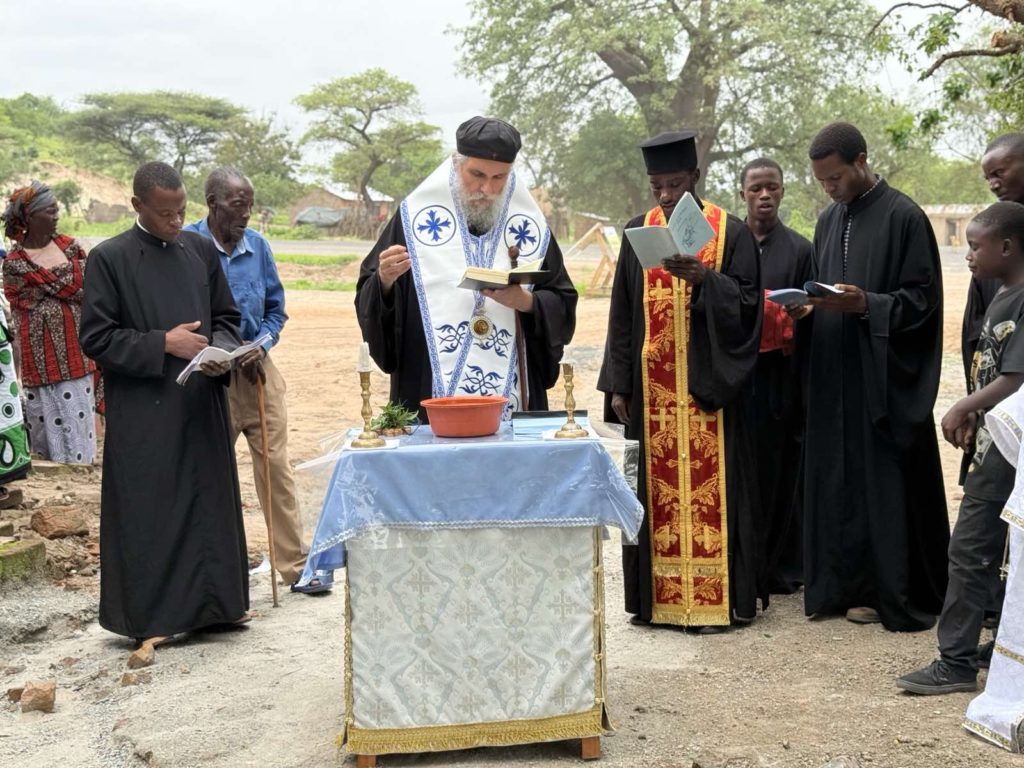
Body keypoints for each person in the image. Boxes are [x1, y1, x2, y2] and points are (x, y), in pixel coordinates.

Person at [598, 130, 763, 629]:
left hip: (708, 391)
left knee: (720, 491)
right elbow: (622, 314)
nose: (667, 195)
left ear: (695, 177)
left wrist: (706, 280)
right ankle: (656, 604)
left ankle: (720, 603)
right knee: (652, 495)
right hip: (652, 394)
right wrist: (621, 383)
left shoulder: (730, 232)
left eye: (675, 185)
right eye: (658, 187)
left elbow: (750, 305)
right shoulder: (639, 231)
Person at [80, 161, 250, 644]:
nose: (176, 222)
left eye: (180, 212)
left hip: (201, 404)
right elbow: (96, 338)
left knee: (209, 505)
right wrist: (163, 343)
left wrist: (222, 351)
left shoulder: (200, 250)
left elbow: (226, 317)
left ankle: (218, 608)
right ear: (138, 205)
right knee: (152, 510)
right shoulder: (109, 258)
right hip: (145, 411)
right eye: (164, 214)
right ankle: (153, 619)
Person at [798, 122, 949, 631]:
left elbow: (923, 302)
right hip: (833, 374)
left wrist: (868, 304)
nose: (829, 189)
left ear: (861, 160)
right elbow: (822, 287)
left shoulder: (905, 216)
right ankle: (841, 587)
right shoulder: (827, 220)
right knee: (837, 480)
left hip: (880, 377)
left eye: (836, 178)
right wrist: (808, 306)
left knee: (880, 482)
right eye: (822, 181)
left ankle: (889, 592)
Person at [355, 116, 577, 418]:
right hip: (429, 385)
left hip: (512, 389)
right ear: (455, 162)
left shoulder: (529, 225)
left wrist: (526, 302)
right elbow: (370, 290)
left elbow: (563, 299)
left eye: (499, 177)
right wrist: (384, 280)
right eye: (477, 174)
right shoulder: (416, 217)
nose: (487, 188)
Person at [897, 202, 1024, 693]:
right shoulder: (1003, 294)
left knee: (970, 548)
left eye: (975, 246)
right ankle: (996, 645)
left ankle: (955, 662)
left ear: (1007, 247)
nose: (967, 255)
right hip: (993, 444)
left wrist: (963, 405)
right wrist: (975, 412)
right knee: (987, 549)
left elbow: (1016, 377)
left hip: (1009, 450)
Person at [185, 168, 327, 594]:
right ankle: (213, 577)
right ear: (212, 203)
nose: (246, 214)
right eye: (237, 205)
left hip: (257, 374)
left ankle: (294, 567)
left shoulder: (259, 247)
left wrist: (260, 346)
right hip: (210, 379)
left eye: (249, 205)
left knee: (276, 470)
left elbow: (275, 311)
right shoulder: (187, 245)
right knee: (209, 475)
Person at [740, 158, 813, 595]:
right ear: (743, 194)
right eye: (756, 189)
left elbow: (813, 306)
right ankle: (742, 563)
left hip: (780, 376)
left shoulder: (801, 250)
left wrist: (801, 312)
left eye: (772, 187)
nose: (765, 195)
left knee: (780, 468)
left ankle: (783, 566)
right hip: (737, 375)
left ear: (782, 191)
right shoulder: (729, 245)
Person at [1, 181, 97, 464]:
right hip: (39, 361)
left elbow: (87, 288)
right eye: (50, 211)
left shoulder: (71, 248)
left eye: (57, 210)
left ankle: (79, 473)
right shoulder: (15, 262)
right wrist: (65, 291)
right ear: (30, 217)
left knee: (78, 430)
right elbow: (22, 300)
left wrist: (49, 291)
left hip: (76, 356)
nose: (56, 216)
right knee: (45, 431)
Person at [963, 134, 1024, 385]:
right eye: (988, 178)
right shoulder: (992, 231)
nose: (993, 184)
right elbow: (977, 325)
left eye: (999, 173)